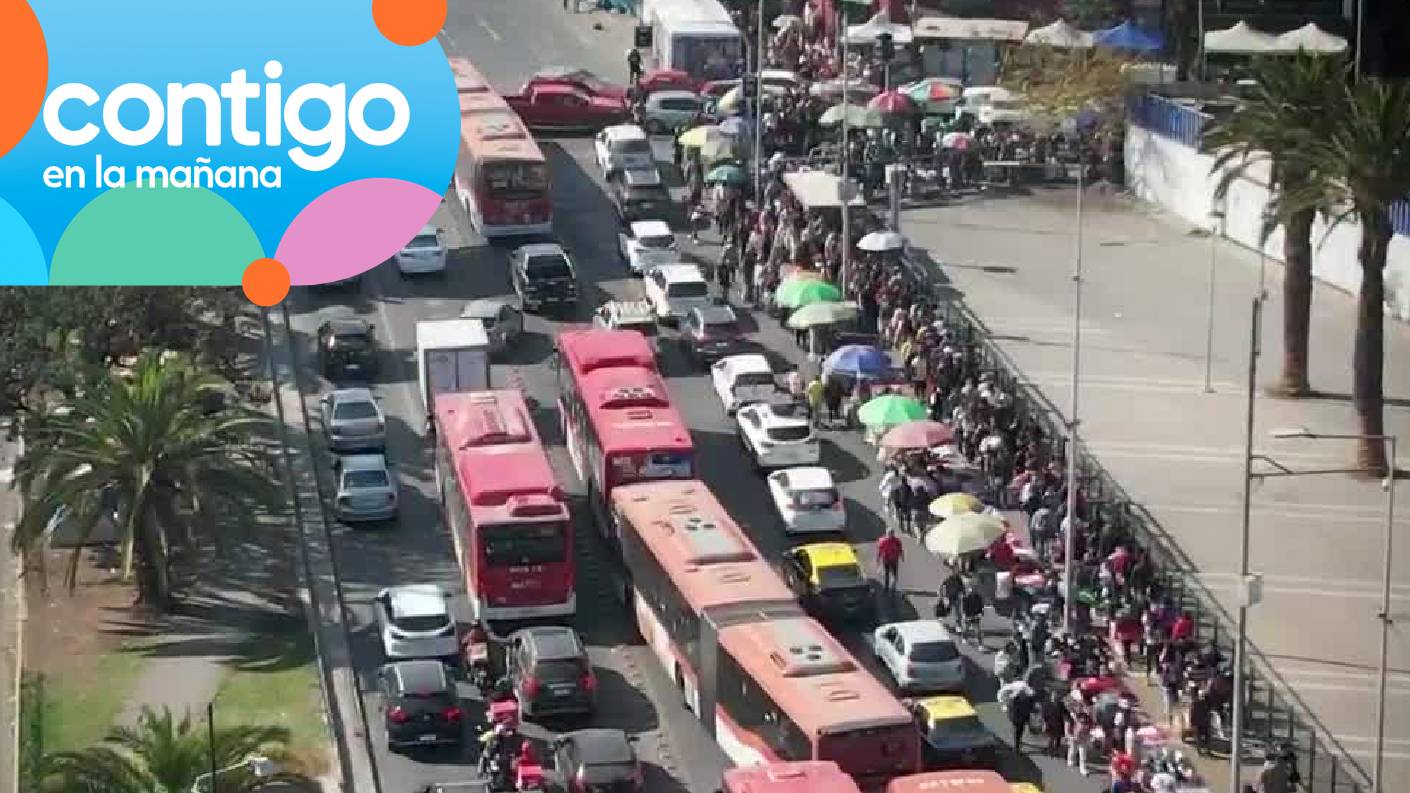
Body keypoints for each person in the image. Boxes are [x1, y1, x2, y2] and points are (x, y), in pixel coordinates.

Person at [1009, 684, 1036, 752]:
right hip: (1017, 719)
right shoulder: (1015, 701)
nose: (1023, 695)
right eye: (1022, 694)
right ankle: (1017, 746)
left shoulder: (1026, 699)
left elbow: (1031, 705)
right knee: (1017, 732)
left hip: (1022, 719)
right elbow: (1013, 710)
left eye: (1024, 694)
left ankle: (1018, 742)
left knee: (1020, 731)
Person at [877, 529, 903, 593]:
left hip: (893, 559)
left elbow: (900, 549)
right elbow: (880, 550)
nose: (891, 535)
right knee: (887, 573)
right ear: (887, 534)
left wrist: (902, 556)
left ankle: (892, 586)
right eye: (890, 533)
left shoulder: (897, 541)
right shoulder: (884, 541)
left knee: (893, 573)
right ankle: (887, 587)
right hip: (887, 559)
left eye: (891, 533)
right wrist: (878, 558)